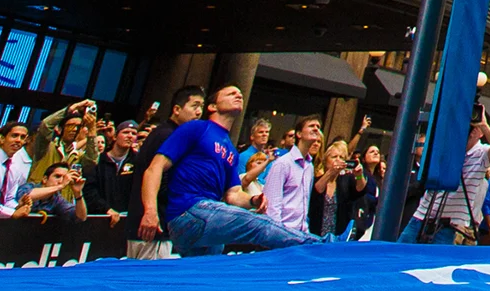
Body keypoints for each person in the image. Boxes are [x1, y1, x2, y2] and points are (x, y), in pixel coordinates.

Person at [141, 82, 311, 255]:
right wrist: (150, 211)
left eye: (240, 94)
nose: (238, 95)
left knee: (206, 269)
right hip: (189, 210)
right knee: (258, 224)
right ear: (212, 106)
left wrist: (253, 200)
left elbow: (233, 194)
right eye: (231, 94)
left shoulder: (231, 150)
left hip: (203, 219)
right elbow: (154, 168)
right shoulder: (197, 127)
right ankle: (316, 245)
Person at [407, 107, 490, 244]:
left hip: (450, 223)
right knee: (401, 251)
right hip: (422, 214)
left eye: (474, 128)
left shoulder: (482, 153)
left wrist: (483, 125)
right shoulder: (448, 145)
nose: (470, 130)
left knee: (438, 256)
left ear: (480, 133)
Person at [260, 118, 321, 236]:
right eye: (311, 126)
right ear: (299, 134)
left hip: (301, 233)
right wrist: (277, 235)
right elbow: (272, 205)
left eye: (318, 127)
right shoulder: (283, 163)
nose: (316, 129)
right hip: (282, 232)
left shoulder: (310, 166)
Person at [85, 119, 146, 219]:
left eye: (134, 133)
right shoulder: (99, 160)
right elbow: (89, 190)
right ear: (115, 136)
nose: (130, 136)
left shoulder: (139, 161)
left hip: (128, 217)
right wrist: (106, 209)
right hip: (101, 216)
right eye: (125, 132)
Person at [309, 141, 365, 239]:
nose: (338, 160)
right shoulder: (316, 180)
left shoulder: (346, 180)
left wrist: (359, 175)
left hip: (338, 235)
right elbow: (317, 190)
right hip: (316, 234)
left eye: (341, 157)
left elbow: (360, 190)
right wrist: (331, 172)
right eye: (334, 157)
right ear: (326, 160)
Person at [0, 121, 33, 215]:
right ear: (2, 139)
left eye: (22, 137)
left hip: (1, 217)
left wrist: (18, 206)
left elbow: (9, 199)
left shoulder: (15, 167)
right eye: (14, 136)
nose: (18, 140)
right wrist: (12, 213)